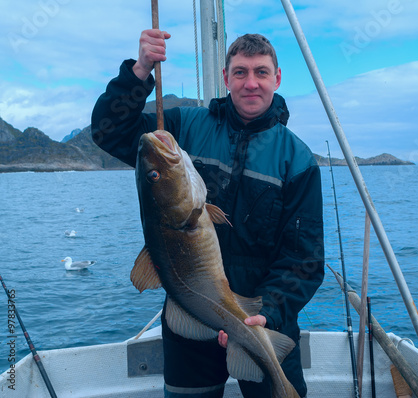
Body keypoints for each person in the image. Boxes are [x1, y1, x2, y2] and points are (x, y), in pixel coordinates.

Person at [91, 29, 324, 398]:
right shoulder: (185, 127)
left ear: (276, 78)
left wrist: (268, 313)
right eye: (240, 72)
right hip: (191, 314)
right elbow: (111, 131)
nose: (251, 83)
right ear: (225, 77)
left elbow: (303, 259)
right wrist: (139, 71)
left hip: (260, 316)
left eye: (261, 72)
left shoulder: (297, 160)